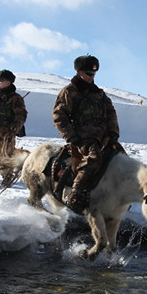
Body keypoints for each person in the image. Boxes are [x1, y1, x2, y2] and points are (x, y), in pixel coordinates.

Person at [52, 55, 120, 214]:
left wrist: (113, 133)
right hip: (83, 138)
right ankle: (75, 193)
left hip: (103, 137)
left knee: (121, 158)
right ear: (79, 72)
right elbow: (59, 116)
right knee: (94, 158)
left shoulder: (100, 94)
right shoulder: (69, 92)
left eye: (93, 74)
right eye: (88, 74)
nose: (91, 77)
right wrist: (72, 137)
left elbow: (111, 114)